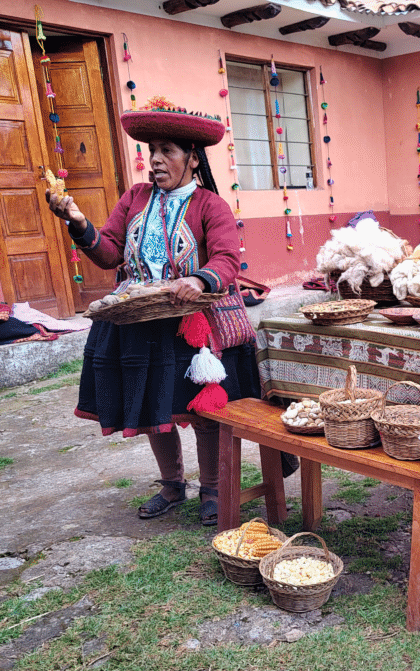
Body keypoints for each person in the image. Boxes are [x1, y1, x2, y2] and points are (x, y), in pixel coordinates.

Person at [44, 98, 262, 526]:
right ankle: (172, 485)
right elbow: (108, 253)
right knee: (152, 407)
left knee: (203, 410)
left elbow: (226, 259)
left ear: (193, 159)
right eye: (152, 151)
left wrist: (199, 280)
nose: (156, 160)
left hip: (190, 324)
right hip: (139, 323)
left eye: (168, 151)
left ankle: (213, 489)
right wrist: (76, 221)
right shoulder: (135, 198)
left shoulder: (210, 205)